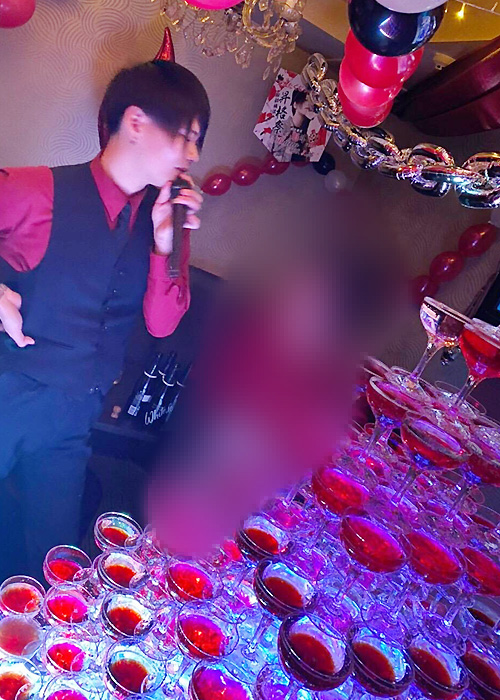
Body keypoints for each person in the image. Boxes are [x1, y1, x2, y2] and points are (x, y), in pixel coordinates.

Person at [0, 59, 210, 579]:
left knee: (49, 567)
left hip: (74, 420)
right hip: (8, 395)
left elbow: (162, 324)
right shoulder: (36, 191)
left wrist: (166, 243)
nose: (193, 155)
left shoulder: (163, 221)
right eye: (186, 136)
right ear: (136, 122)